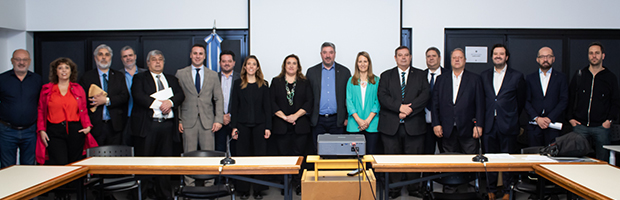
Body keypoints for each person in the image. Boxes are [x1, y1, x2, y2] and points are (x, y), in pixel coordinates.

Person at [131, 50, 185, 199]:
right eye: (154, 59)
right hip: (149, 126)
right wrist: (159, 104)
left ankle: (164, 195)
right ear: (148, 63)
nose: (157, 62)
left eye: (160, 59)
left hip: (167, 127)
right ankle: (143, 194)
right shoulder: (139, 78)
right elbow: (138, 96)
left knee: (165, 163)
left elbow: (181, 95)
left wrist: (170, 102)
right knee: (145, 163)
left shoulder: (172, 79)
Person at [378, 46, 430, 198]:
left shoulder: (420, 75)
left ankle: (414, 189)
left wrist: (409, 110)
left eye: (406, 55)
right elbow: (383, 96)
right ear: (395, 58)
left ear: (410, 57)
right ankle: (393, 189)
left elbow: (425, 95)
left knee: (413, 158)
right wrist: (399, 108)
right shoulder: (386, 75)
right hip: (391, 126)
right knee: (392, 158)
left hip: (414, 125)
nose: (403, 58)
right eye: (400, 55)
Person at [480, 44, 526, 200]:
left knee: (507, 161)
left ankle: (507, 191)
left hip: (508, 124)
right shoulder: (484, 75)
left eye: (501, 54)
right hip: (488, 124)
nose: (498, 56)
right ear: (491, 56)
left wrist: (511, 116)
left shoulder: (517, 76)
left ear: (507, 57)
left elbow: (520, 101)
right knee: (490, 160)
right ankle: (491, 190)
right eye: (495, 54)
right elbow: (482, 101)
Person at [36, 57, 96, 165]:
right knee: (60, 164)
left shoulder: (78, 88)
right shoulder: (47, 90)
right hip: (54, 131)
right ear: (56, 71)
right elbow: (41, 110)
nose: (64, 70)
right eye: (60, 68)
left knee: (76, 164)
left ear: (71, 71)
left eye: (67, 67)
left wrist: (88, 127)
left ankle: (76, 183)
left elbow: (84, 109)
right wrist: (41, 130)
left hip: (75, 130)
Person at [567, 42, 620, 162]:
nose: (594, 56)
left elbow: (615, 101)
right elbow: (570, 97)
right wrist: (570, 118)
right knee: (576, 159)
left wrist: (609, 120)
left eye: (597, 53)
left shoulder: (610, 77)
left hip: (601, 127)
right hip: (580, 126)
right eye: (591, 53)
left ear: (603, 55)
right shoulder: (580, 75)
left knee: (603, 160)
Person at [270, 54, 313, 195]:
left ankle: (298, 183)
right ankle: (285, 184)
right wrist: (285, 117)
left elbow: (309, 102)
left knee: (299, 156)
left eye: (294, 63)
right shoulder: (276, 82)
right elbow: (272, 102)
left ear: (298, 66)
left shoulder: (304, 82)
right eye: (288, 63)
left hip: (300, 125)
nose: (291, 66)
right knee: (284, 156)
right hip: (281, 125)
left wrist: (295, 116)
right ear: (284, 65)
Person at [230, 55, 271, 199]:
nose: (251, 66)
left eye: (254, 64)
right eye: (249, 64)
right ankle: (243, 189)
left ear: (257, 67)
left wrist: (268, 127)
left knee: (260, 157)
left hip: (260, 126)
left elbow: (267, 108)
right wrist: (233, 127)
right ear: (245, 67)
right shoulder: (237, 84)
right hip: (242, 126)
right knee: (242, 158)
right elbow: (234, 107)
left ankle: (259, 189)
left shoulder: (264, 84)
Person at [432, 48, 484, 154]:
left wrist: (478, 125)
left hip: (468, 129)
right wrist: (436, 124)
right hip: (447, 129)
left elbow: (480, 104)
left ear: (465, 60)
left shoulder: (475, 79)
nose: (457, 60)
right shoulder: (441, 79)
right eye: (454, 58)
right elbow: (435, 104)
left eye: (460, 57)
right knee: (450, 162)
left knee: (470, 164)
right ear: (450, 60)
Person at [176, 44, 224, 153]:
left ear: (205, 56)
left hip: (208, 123)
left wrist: (218, 120)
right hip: (187, 122)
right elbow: (177, 99)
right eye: (195, 53)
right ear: (190, 55)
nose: (198, 56)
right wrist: (179, 120)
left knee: (208, 155)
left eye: (200, 53)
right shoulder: (181, 74)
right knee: (189, 154)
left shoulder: (212, 75)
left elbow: (219, 98)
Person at [79, 44, 129, 146]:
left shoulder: (119, 76)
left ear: (111, 57)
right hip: (95, 125)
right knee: (95, 159)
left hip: (115, 126)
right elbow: (81, 101)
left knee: (115, 159)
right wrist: (95, 101)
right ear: (95, 57)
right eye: (100, 54)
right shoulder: (87, 77)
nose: (104, 57)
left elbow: (124, 96)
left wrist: (106, 100)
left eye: (107, 55)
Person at [0, 49, 42, 168]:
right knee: (7, 167)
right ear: (12, 61)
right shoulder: (2, 79)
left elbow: (41, 104)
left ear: (29, 61)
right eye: (18, 59)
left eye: (24, 60)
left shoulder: (37, 79)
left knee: (29, 167)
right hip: (7, 131)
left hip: (30, 131)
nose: (21, 62)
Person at [306, 42, 351, 150]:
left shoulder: (345, 72)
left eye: (330, 52)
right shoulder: (311, 72)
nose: (327, 55)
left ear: (335, 54)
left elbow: (349, 97)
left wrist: (346, 117)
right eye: (325, 52)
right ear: (321, 54)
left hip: (337, 119)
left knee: (337, 151)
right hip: (318, 119)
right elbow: (307, 96)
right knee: (317, 150)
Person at [524, 47, 568, 147]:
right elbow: (526, 101)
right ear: (537, 59)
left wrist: (549, 118)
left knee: (553, 158)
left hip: (553, 125)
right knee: (534, 157)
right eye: (542, 57)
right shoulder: (530, 78)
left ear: (553, 59)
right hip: (534, 126)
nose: (545, 59)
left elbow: (564, 100)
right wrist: (537, 118)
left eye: (548, 56)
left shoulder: (561, 78)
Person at [346, 51, 380, 154]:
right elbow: (349, 101)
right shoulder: (351, 80)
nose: (362, 64)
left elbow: (377, 101)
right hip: (355, 124)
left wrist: (368, 120)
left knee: (371, 155)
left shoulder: (376, 80)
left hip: (372, 123)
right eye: (360, 61)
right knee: (355, 156)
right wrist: (359, 120)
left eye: (365, 61)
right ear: (357, 64)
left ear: (369, 63)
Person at [423, 47, 449, 154]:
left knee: (446, 154)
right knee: (426, 155)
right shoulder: (420, 75)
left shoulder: (449, 75)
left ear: (440, 58)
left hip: (444, 124)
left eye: (434, 56)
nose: (431, 58)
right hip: (424, 124)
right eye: (428, 56)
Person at [119, 45, 147, 146]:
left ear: (135, 56)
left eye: (130, 55)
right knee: (125, 148)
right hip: (124, 118)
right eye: (125, 56)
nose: (128, 58)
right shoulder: (117, 75)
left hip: (142, 118)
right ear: (122, 59)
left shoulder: (146, 74)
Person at [215, 50, 240, 154]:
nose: (226, 64)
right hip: (217, 121)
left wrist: (231, 116)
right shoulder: (213, 78)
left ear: (234, 63)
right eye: (224, 61)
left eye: (229, 61)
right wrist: (221, 116)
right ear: (220, 63)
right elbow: (209, 100)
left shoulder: (241, 78)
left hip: (235, 121)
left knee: (236, 151)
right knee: (218, 151)